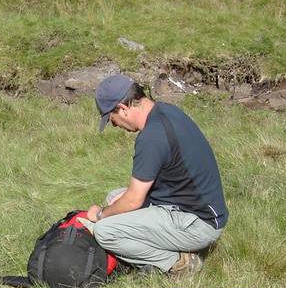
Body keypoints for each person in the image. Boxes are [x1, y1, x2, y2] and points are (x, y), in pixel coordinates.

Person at [79, 74, 227, 274]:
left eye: (111, 119)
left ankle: (177, 262)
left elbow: (133, 201)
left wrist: (100, 215)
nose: (114, 125)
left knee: (105, 232)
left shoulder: (151, 137)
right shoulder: (166, 111)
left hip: (199, 224)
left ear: (122, 109)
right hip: (197, 207)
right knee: (114, 196)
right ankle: (166, 248)